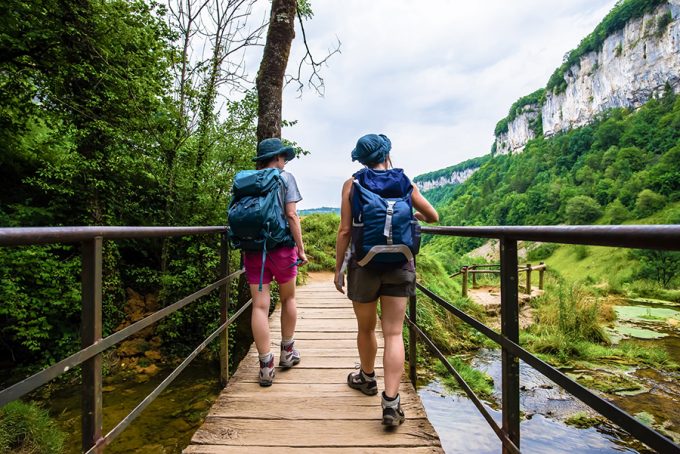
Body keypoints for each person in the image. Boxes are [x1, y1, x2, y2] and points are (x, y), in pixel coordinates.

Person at [334, 133, 438, 426]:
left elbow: (344, 231)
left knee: (366, 328)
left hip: (363, 265)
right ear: (387, 154)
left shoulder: (352, 185)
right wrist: (409, 216)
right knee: (393, 333)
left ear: (361, 159)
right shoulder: (405, 182)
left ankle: (367, 379)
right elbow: (433, 215)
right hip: (400, 263)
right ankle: (391, 403)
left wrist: (338, 268)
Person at [246, 138, 308, 386]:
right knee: (288, 299)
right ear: (278, 158)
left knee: (259, 306)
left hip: (253, 250)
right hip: (282, 249)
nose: (284, 162)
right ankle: (287, 353)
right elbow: (291, 214)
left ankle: (265, 366)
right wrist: (301, 249)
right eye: (283, 157)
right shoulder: (286, 178)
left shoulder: (248, 179)